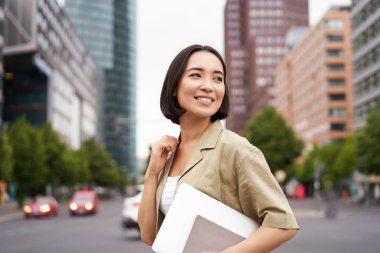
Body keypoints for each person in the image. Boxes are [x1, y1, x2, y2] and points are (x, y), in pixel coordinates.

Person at [138, 44, 298, 252]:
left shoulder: (237, 150)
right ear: (174, 88)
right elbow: (149, 235)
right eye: (196, 75)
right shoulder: (168, 155)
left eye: (218, 78)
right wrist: (152, 174)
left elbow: (283, 224)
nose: (209, 86)